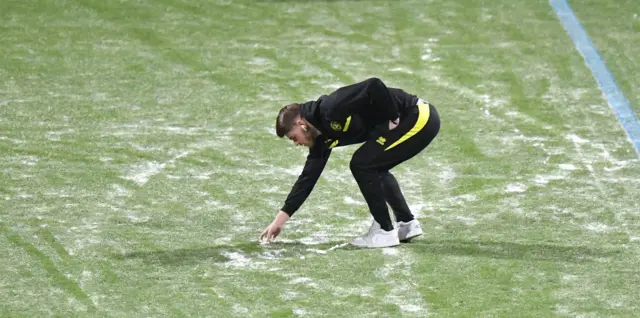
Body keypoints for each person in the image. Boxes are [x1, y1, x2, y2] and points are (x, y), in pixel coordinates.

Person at [260, 77, 441, 248]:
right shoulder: (321, 141)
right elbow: (306, 180)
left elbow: (373, 85)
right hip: (414, 121)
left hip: (418, 116)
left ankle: (384, 230)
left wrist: (393, 117)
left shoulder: (329, 108)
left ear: (301, 124)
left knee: (362, 164)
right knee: (373, 166)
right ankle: (406, 223)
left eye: (293, 138)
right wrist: (279, 221)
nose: (296, 143)